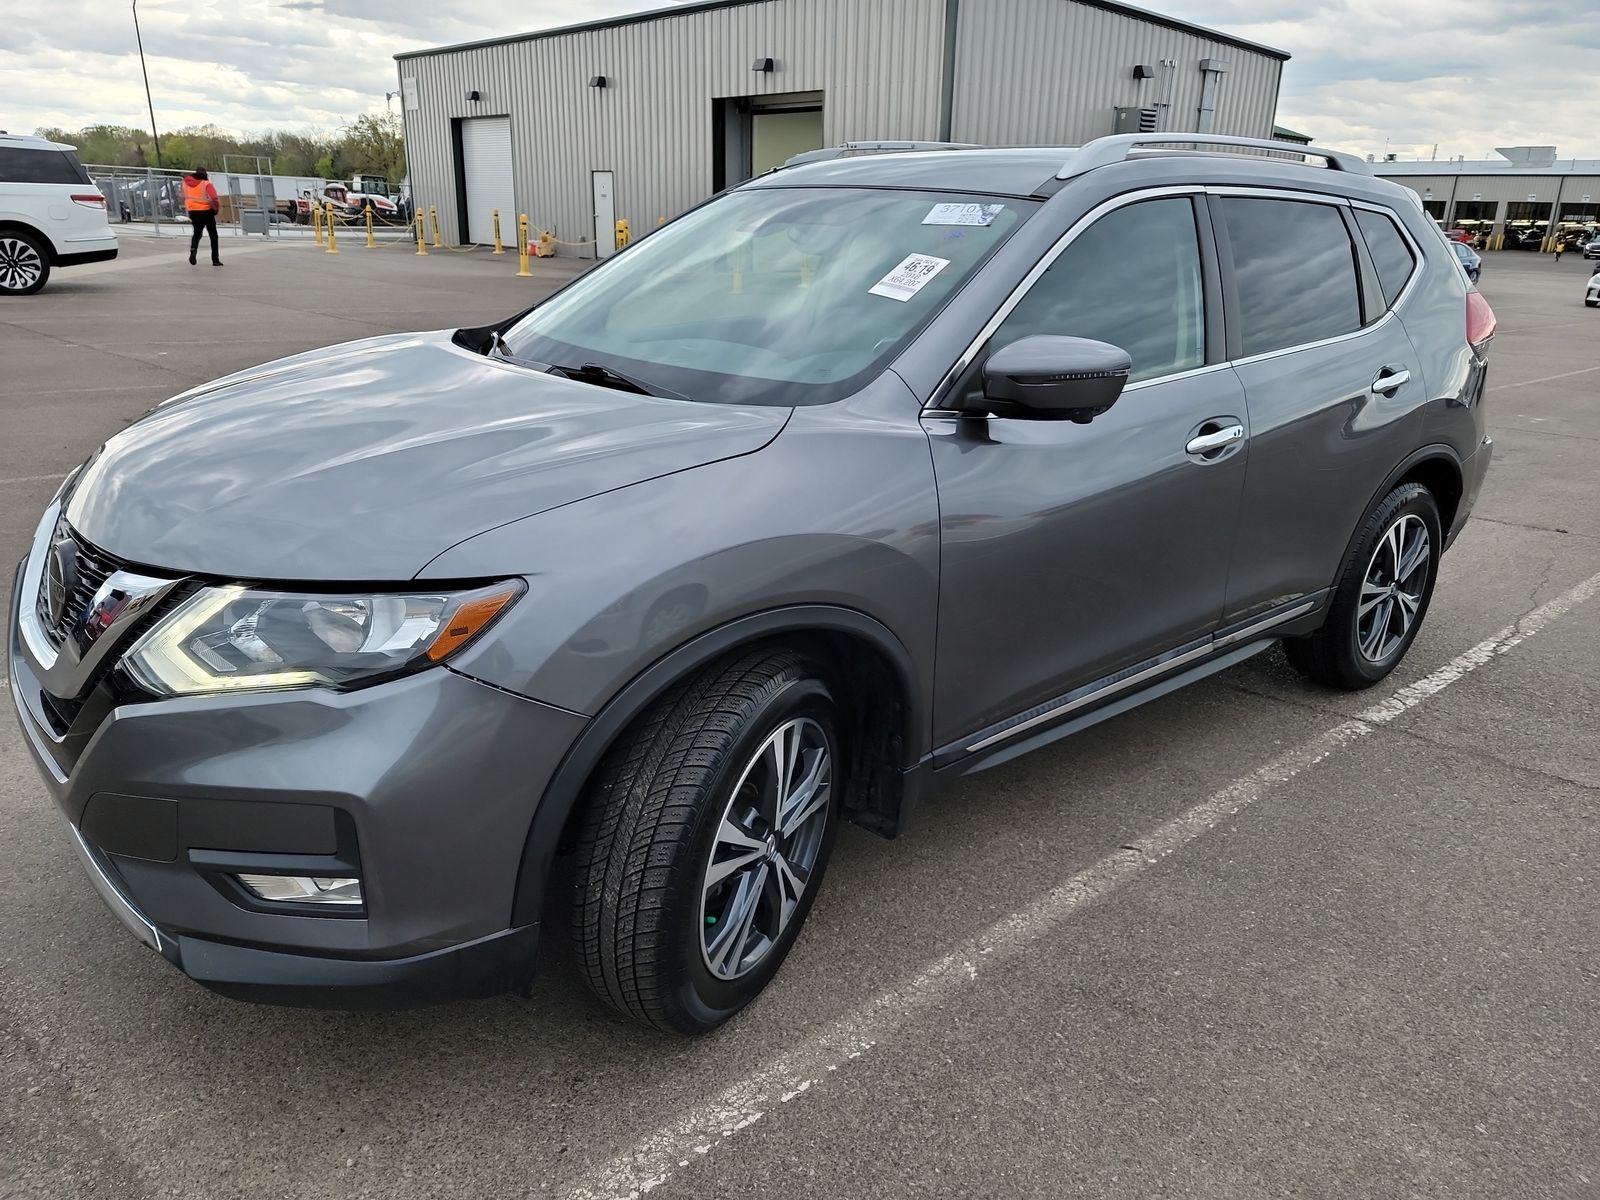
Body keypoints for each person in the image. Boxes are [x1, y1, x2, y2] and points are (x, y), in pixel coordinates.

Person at [182, 166, 222, 266]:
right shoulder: (206, 183)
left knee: (197, 233)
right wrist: (216, 208)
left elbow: (182, 195)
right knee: (213, 235)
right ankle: (215, 259)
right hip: (207, 212)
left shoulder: (186, 184)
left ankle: (193, 249)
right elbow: (214, 197)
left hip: (193, 211)